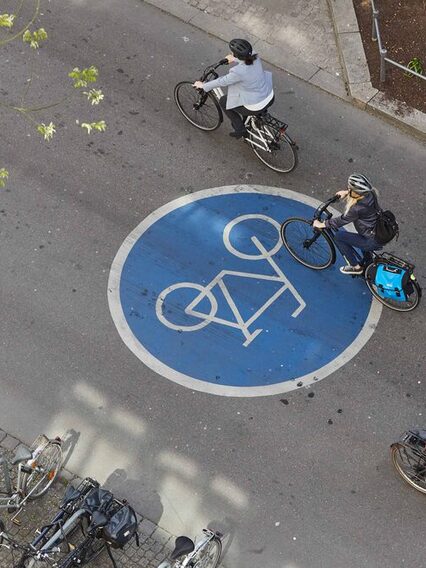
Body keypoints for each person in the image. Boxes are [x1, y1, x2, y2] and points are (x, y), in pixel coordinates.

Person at [193, 39, 274, 139]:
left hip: (255, 103)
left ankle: (240, 129)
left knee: (223, 101)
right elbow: (247, 60)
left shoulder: (238, 72)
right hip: (268, 95)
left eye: (233, 53)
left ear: (236, 55)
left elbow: (222, 81)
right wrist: (234, 59)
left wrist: (203, 86)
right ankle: (254, 118)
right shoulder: (255, 55)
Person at [313, 174, 383, 275]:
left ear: (356, 192)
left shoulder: (357, 208)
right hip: (377, 230)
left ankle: (356, 268)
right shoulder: (371, 193)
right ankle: (368, 263)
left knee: (339, 237)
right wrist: (347, 192)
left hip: (372, 239)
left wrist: (322, 224)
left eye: (350, 188)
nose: (348, 189)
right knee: (362, 245)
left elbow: (340, 221)